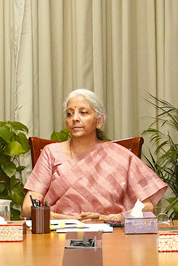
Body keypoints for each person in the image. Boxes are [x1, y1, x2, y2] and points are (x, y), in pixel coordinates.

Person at [22, 89, 168, 221]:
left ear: (99, 121)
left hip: (110, 233)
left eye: (83, 112)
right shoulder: (51, 153)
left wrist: (111, 218)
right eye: (70, 113)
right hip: (59, 233)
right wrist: (64, 218)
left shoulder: (119, 155)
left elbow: (147, 207)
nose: (75, 118)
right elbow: (28, 207)